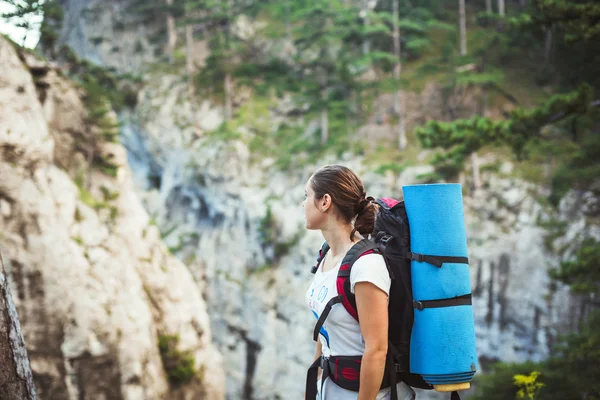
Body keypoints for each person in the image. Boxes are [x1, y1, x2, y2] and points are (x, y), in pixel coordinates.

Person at [303, 165, 415, 400]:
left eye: (306, 196)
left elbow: (376, 349)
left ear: (325, 202)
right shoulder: (326, 255)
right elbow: (323, 329)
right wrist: (314, 385)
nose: (303, 204)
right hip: (330, 388)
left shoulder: (366, 265)